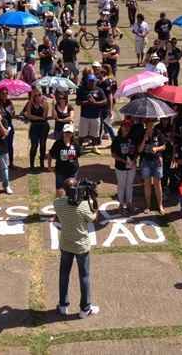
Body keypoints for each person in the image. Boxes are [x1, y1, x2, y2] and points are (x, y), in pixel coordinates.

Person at [54, 178, 100, 318]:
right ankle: (85, 309)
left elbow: (61, 204)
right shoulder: (84, 205)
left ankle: (63, 305)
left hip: (66, 244)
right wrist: (93, 199)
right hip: (81, 246)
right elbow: (93, 217)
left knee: (64, 275)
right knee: (84, 276)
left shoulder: (58, 203)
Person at [138, 120, 166, 214]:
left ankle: (160, 205)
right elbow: (139, 150)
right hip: (146, 161)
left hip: (157, 161)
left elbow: (164, 146)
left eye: (152, 124)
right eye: (148, 124)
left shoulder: (158, 133)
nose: (150, 126)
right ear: (145, 124)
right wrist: (144, 139)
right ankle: (148, 205)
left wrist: (157, 148)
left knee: (158, 184)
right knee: (147, 184)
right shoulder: (142, 133)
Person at [111, 119, 137, 214]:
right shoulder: (117, 139)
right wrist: (123, 160)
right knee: (121, 186)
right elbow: (113, 154)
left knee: (130, 186)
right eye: (125, 126)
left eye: (128, 126)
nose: (126, 128)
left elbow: (136, 152)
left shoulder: (132, 139)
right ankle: (121, 204)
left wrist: (133, 161)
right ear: (121, 127)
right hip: (120, 167)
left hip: (131, 166)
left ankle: (129, 203)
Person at [47, 124, 81, 191]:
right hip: (60, 171)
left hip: (73, 172)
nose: (67, 134)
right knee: (59, 190)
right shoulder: (58, 144)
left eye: (69, 132)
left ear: (72, 133)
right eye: (66, 132)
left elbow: (78, 155)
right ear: (63, 132)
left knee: (72, 189)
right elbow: (50, 154)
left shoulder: (75, 144)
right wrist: (49, 166)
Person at [76, 74, 106, 147]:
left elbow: (105, 101)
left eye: (93, 81)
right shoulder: (82, 90)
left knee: (95, 134)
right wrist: (86, 102)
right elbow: (77, 102)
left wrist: (95, 103)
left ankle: (94, 147)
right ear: (87, 81)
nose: (91, 83)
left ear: (95, 81)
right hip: (84, 116)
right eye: (90, 81)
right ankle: (79, 146)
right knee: (82, 134)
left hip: (96, 116)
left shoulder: (99, 90)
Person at [23, 89, 50, 170]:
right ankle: (32, 165)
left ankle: (41, 164)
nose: (38, 97)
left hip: (43, 126)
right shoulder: (29, 103)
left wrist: (35, 117)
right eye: (35, 95)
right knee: (34, 145)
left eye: (39, 94)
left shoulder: (45, 103)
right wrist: (31, 100)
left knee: (42, 144)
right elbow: (28, 115)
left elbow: (44, 116)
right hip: (34, 126)